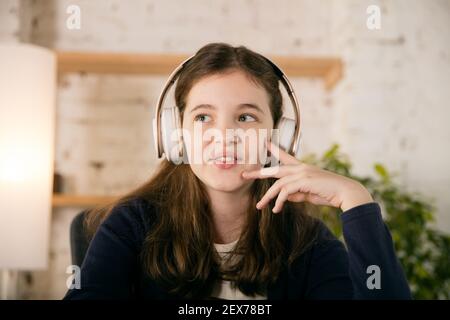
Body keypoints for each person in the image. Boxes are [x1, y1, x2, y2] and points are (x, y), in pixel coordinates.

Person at [63, 43, 411, 300]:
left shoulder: (306, 243)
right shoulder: (133, 224)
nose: (224, 137)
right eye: (203, 117)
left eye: (246, 117)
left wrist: (356, 199)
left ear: (281, 135)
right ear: (175, 135)